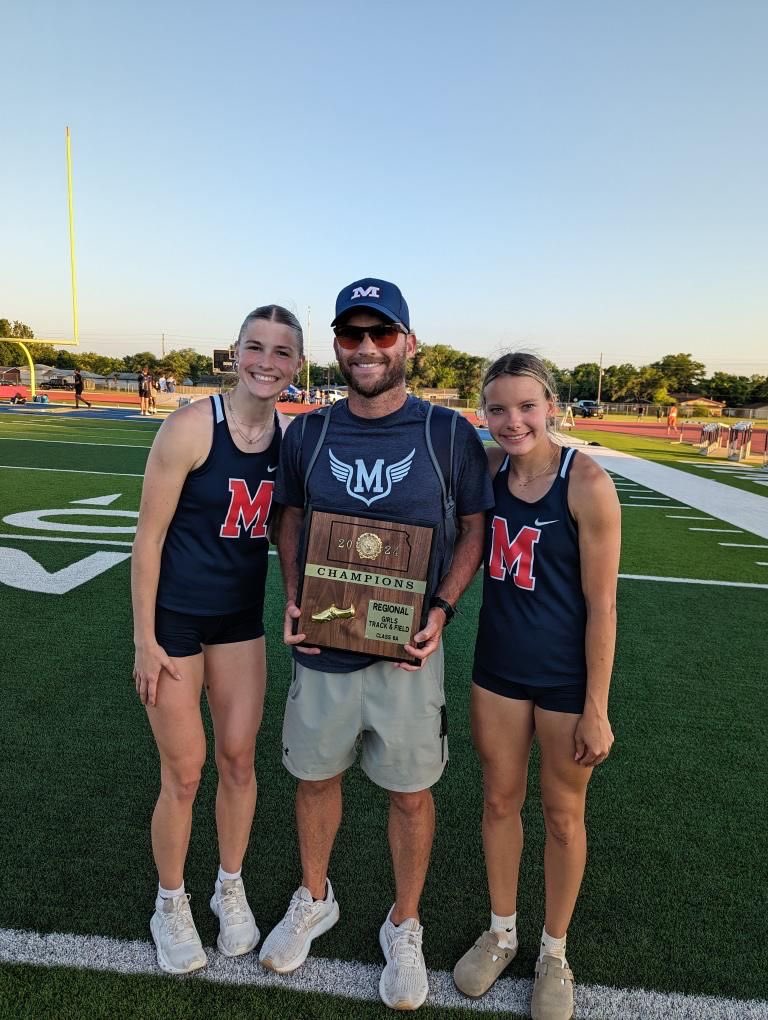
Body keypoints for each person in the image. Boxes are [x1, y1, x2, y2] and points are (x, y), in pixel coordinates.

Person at [260, 278, 493, 1010]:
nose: (366, 348)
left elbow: (476, 530)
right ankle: (315, 896)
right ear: (336, 345)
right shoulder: (309, 431)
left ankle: (406, 922)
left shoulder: (447, 432)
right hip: (325, 647)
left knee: (412, 795)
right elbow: (289, 516)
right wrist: (295, 595)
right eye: (352, 335)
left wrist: (445, 610)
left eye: (381, 334)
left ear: (408, 343)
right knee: (315, 779)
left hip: (408, 654)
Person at [131, 305, 303, 975]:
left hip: (238, 621)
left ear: (296, 364)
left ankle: (228, 884)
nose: (266, 360)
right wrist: (144, 639)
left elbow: (285, 532)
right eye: (254, 346)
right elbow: (146, 539)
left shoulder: (289, 443)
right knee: (185, 772)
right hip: (175, 621)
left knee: (238, 761)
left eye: (281, 351)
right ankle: (169, 901)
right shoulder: (190, 426)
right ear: (235, 353)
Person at [452, 353, 620, 1020]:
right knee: (498, 800)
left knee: (562, 813)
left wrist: (597, 706)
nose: (512, 420)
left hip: (563, 678)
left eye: (526, 406)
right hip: (497, 668)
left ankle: (554, 950)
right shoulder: (486, 472)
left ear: (550, 404)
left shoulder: (587, 483)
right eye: (498, 408)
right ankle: (501, 931)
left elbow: (602, 605)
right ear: (484, 413)